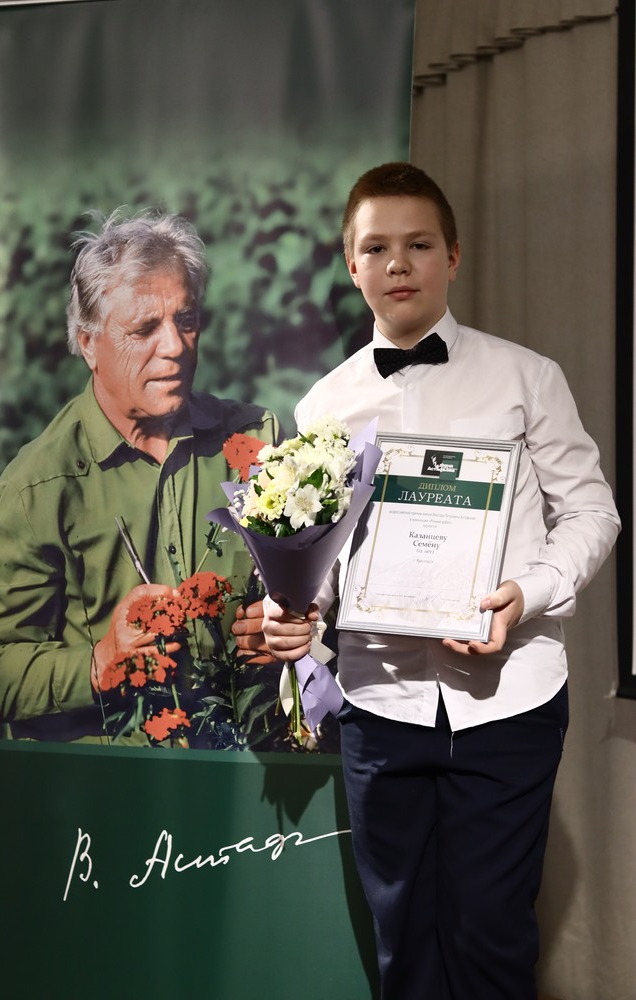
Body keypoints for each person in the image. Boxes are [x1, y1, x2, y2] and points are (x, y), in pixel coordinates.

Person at [260, 163, 620, 999]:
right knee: (403, 943)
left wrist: (525, 594)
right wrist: (293, 610)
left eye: (418, 245)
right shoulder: (323, 406)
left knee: (490, 937)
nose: (398, 263)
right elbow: (316, 557)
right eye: (376, 248)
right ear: (351, 265)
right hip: (379, 705)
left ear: (452, 256)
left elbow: (592, 512)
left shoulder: (527, 377)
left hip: (508, 699)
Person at [0, 210, 280, 747]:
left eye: (186, 320)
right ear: (88, 343)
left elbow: (308, 605)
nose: (176, 346)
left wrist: (286, 625)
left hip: (240, 770)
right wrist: (100, 662)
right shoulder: (35, 489)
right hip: (105, 782)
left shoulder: (255, 443)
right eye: (144, 329)